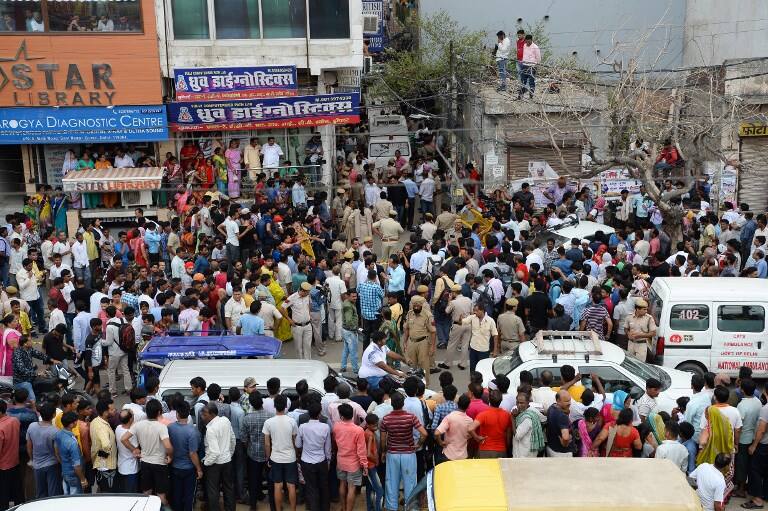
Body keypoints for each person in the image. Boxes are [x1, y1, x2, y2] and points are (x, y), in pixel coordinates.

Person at [120, 399, 172, 506]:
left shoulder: (138, 425)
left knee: (146, 493)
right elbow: (168, 446)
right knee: (161, 496)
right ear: (159, 412)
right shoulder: (162, 427)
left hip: (144, 463)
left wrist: (134, 449)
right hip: (160, 464)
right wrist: (171, 456)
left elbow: (123, 439)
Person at [380, 392, 427, 511]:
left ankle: (392, 507)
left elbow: (383, 440)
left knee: (391, 483)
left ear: (392, 404)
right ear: (403, 403)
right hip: (409, 454)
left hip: (392, 454)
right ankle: (410, 507)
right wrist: (418, 445)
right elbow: (424, 433)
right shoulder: (411, 417)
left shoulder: (386, 419)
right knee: (410, 482)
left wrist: (384, 452)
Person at [262, 395, 298, 511]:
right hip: (290, 458)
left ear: (274, 406)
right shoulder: (292, 421)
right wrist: (296, 454)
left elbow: (267, 444)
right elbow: (294, 441)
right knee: (291, 486)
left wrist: (268, 458)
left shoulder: (268, 422)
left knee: (277, 486)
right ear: (286, 406)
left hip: (276, 458)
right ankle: (293, 509)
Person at [296, 401, 331, 511]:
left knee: (311, 488)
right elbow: (328, 449)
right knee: (324, 487)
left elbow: (297, 444)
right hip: (321, 461)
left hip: (306, 461)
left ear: (308, 413)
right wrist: (328, 462)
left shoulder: (302, 427)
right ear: (319, 413)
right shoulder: (325, 427)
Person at [241, 391, 274, 510]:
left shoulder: (247, 418)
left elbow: (244, 439)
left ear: (251, 404)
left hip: (253, 454)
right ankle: (272, 503)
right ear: (262, 401)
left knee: (253, 481)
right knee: (271, 480)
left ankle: (253, 505)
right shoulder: (271, 416)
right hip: (269, 453)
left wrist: (248, 449)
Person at [167, 400, 202, 511]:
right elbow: (192, 453)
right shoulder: (193, 431)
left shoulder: (170, 428)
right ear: (188, 414)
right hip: (189, 469)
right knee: (189, 496)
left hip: (174, 467)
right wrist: (199, 469)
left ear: (177, 414)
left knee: (176, 494)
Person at [201, 403, 236, 511]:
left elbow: (215, 452)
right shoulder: (225, 420)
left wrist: (206, 463)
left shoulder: (210, 429)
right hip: (227, 461)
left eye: (204, 414)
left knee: (213, 491)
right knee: (229, 488)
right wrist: (229, 454)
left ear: (212, 414)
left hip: (214, 464)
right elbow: (233, 439)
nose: (202, 417)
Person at [333, 403, 368, 511]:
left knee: (342, 484)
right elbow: (361, 451)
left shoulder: (336, 427)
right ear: (352, 415)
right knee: (351, 488)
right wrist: (365, 465)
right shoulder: (358, 430)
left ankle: (343, 508)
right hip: (354, 464)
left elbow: (335, 442)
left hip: (340, 461)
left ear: (341, 415)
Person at [26, 402, 61, 498]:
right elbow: (57, 451)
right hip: (52, 464)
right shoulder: (55, 431)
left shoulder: (32, 426)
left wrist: (32, 459)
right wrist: (61, 463)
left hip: (37, 465)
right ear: (54, 415)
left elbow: (29, 446)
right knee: (53, 493)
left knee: (41, 493)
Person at [470, 389, 512, 458]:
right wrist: (507, 447)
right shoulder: (507, 415)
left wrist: (477, 438)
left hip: (485, 449)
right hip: (501, 450)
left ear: (489, 399)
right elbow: (508, 436)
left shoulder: (483, 415)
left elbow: (470, 428)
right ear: (501, 400)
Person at [434, 394, 474, 462]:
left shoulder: (450, 417)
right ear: (468, 407)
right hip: (463, 456)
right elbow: (469, 437)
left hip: (449, 454)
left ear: (457, 403)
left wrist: (440, 442)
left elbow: (436, 433)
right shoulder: (470, 420)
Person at [54, 411, 86, 495]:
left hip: (65, 472)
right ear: (71, 424)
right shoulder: (72, 443)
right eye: (76, 421)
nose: (77, 422)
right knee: (75, 500)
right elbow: (76, 466)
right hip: (74, 475)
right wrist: (83, 479)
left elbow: (56, 451)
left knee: (66, 496)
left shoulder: (58, 434)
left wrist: (64, 464)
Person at [461, 303, 499, 373]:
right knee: (472, 369)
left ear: (482, 311)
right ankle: (472, 382)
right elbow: (462, 321)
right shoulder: (472, 317)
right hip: (473, 348)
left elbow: (495, 335)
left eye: (477, 310)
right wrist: (460, 318)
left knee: (482, 370)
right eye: (474, 310)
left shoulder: (490, 321)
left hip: (484, 350)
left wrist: (495, 350)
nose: (475, 312)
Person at [90, 399, 117, 492]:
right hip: (107, 466)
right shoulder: (102, 427)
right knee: (109, 494)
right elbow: (106, 445)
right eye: (112, 410)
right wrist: (106, 453)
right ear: (105, 412)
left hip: (100, 464)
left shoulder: (95, 421)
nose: (115, 410)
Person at [512, 392, 545, 458]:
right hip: (527, 451)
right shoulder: (531, 412)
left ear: (528, 403)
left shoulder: (527, 418)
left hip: (523, 454)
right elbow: (544, 420)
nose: (519, 405)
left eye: (522, 403)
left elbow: (517, 436)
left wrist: (513, 418)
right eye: (517, 402)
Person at [545, 390, 573, 457]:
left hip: (552, 448)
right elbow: (565, 438)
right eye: (566, 401)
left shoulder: (551, 407)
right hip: (563, 453)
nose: (569, 403)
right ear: (558, 400)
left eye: (569, 400)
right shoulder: (562, 416)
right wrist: (565, 444)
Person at [518, 34, 541, 100]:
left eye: (528, 41)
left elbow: (538, 58)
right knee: (523, 81)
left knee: (531, 82)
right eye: (526, 41)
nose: (527, 42)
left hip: (532, 67)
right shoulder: (524, 45)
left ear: (531, 40)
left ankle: (531, 95)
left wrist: (535, 65)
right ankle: (520, 95)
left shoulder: (535, 47)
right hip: (524, 65)